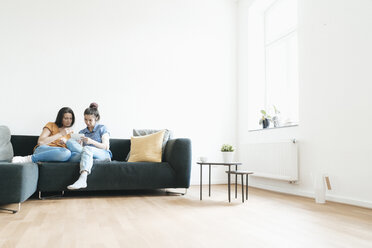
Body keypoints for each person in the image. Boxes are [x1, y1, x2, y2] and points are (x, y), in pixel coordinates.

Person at [66, 103, 112, 190]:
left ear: (96, 118)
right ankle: (92, 160)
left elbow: (106, 147)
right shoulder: (82, 132)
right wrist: (79, 144)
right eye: (85, 119)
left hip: (103, 153)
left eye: (90, 120)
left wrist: (91, 142)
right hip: (87, 153)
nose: (87, 122)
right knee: (69, 142)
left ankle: (83, 178)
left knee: (87, 149)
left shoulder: (102, 128)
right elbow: (79, 149)